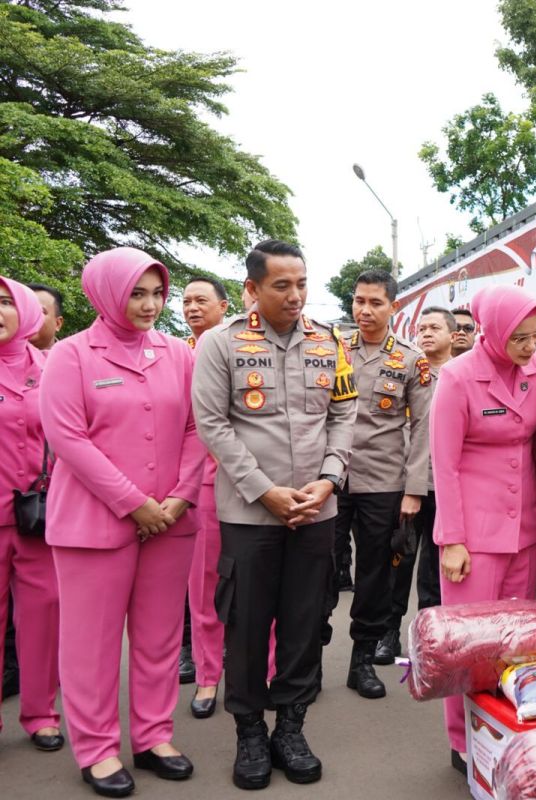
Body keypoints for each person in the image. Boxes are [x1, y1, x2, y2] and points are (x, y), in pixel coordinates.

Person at [192, 239, 357, 790]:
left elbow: (343, 413)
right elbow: (213, 424)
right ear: (253, 289)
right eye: (282, 285)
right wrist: (265, 491)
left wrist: (330, 478)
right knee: (245, 625)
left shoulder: (329, 342)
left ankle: (291, 726)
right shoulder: (220, 343)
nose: (295, 295)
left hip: (316, 511)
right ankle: (249, 732)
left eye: (302, 283)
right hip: (249, 515)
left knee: (305, 624)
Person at [41, 247, 205, 796]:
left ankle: (155, 735)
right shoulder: (71, 354)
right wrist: (135, 502)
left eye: (158, 293)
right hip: (95, 523)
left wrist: (180, 497)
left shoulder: (177, 354)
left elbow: (195, 429)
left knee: (160, 637)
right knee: (91, 643)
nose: (151, 304)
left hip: (171, 521)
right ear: (107, 292)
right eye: (138, 292)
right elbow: (68, 438)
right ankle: (97, 749)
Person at [431, 285, 536, 772]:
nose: (529, 347)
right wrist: (452, 540)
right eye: (519, 337)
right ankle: (463, 742)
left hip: (525, 524)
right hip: (474, 535)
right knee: (471, 644)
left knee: (516, 641)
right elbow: (445, 463)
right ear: (493, 331)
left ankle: (503, 731)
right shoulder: (458, 377)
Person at [323, 270, 431, 699]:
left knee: (373, 578)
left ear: (393, 308)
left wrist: (413, 490)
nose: (364, 310)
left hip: (383, 481)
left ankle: (362, 660)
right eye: (358, 301)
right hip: (330, 478)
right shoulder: (331, 348)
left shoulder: (410, 359)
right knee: (321, 571)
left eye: (375, 303)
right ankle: (311, 655)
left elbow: (424, 428)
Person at [0, 276, 63, 753]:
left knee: (43, 619)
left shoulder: (52, 365)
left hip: (40, 515)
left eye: (4, 302)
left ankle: (41, 713)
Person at [374, 305, 452, 666]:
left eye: (435, 327)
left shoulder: (459, 374)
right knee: (399, 559)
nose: (426, 333)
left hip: (445, 485)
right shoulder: (407, 369)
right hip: (408, 483)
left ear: (453, 335)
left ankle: (428, 639)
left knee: (434, 570)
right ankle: (388, 633)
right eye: (422, 328)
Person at [181, 276, 230, 718]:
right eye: (186, 301)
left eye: (201, 300)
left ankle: (267, 671)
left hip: (249, 484)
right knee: (204, 588)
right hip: (201, 487)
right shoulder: (178, 354)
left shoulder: (242, 346)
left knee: (260, 586)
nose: (192, 307)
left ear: (224, 305)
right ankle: (208, 675)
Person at [25, 283, 64, 352]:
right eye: (25, 311)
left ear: (58, 324)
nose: (29, 317)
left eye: (39, 311)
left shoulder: (73, 358)